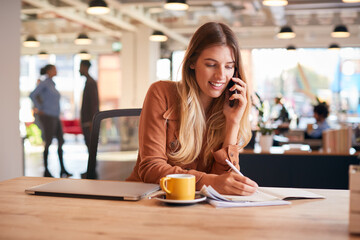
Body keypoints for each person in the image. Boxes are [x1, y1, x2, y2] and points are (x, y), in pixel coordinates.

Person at [127, 22, 258, 196]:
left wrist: (232, 122)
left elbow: (222, 182)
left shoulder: (225, 109)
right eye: (211, 64)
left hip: (197, 205)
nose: (221, 76)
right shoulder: (161, 93)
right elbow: (151, 169)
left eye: (228, 66)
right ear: (192, 62)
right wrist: (209, 181)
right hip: (149, 200)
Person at [30, 64, 72, 178]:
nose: (56, 70)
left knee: (61, 141)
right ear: (48, 71)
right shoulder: (45, 83)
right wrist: (40, 108)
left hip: (55, 116)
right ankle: (46, 170)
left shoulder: (52, 84)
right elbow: (33, 95)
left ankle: (63, 169)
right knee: (48, 143)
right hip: (48, 116)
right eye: (54, 69)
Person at [79, 60, 99, 153]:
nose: (79, 70)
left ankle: (92, 167)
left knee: (91, 145)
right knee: (90, 145)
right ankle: (92, 167)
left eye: (80, 67)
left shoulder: (90, 82)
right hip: (88, 121)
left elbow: (94, 103)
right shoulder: (88, 82)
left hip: (89, 121)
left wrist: (92, 121)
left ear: (85, 67)